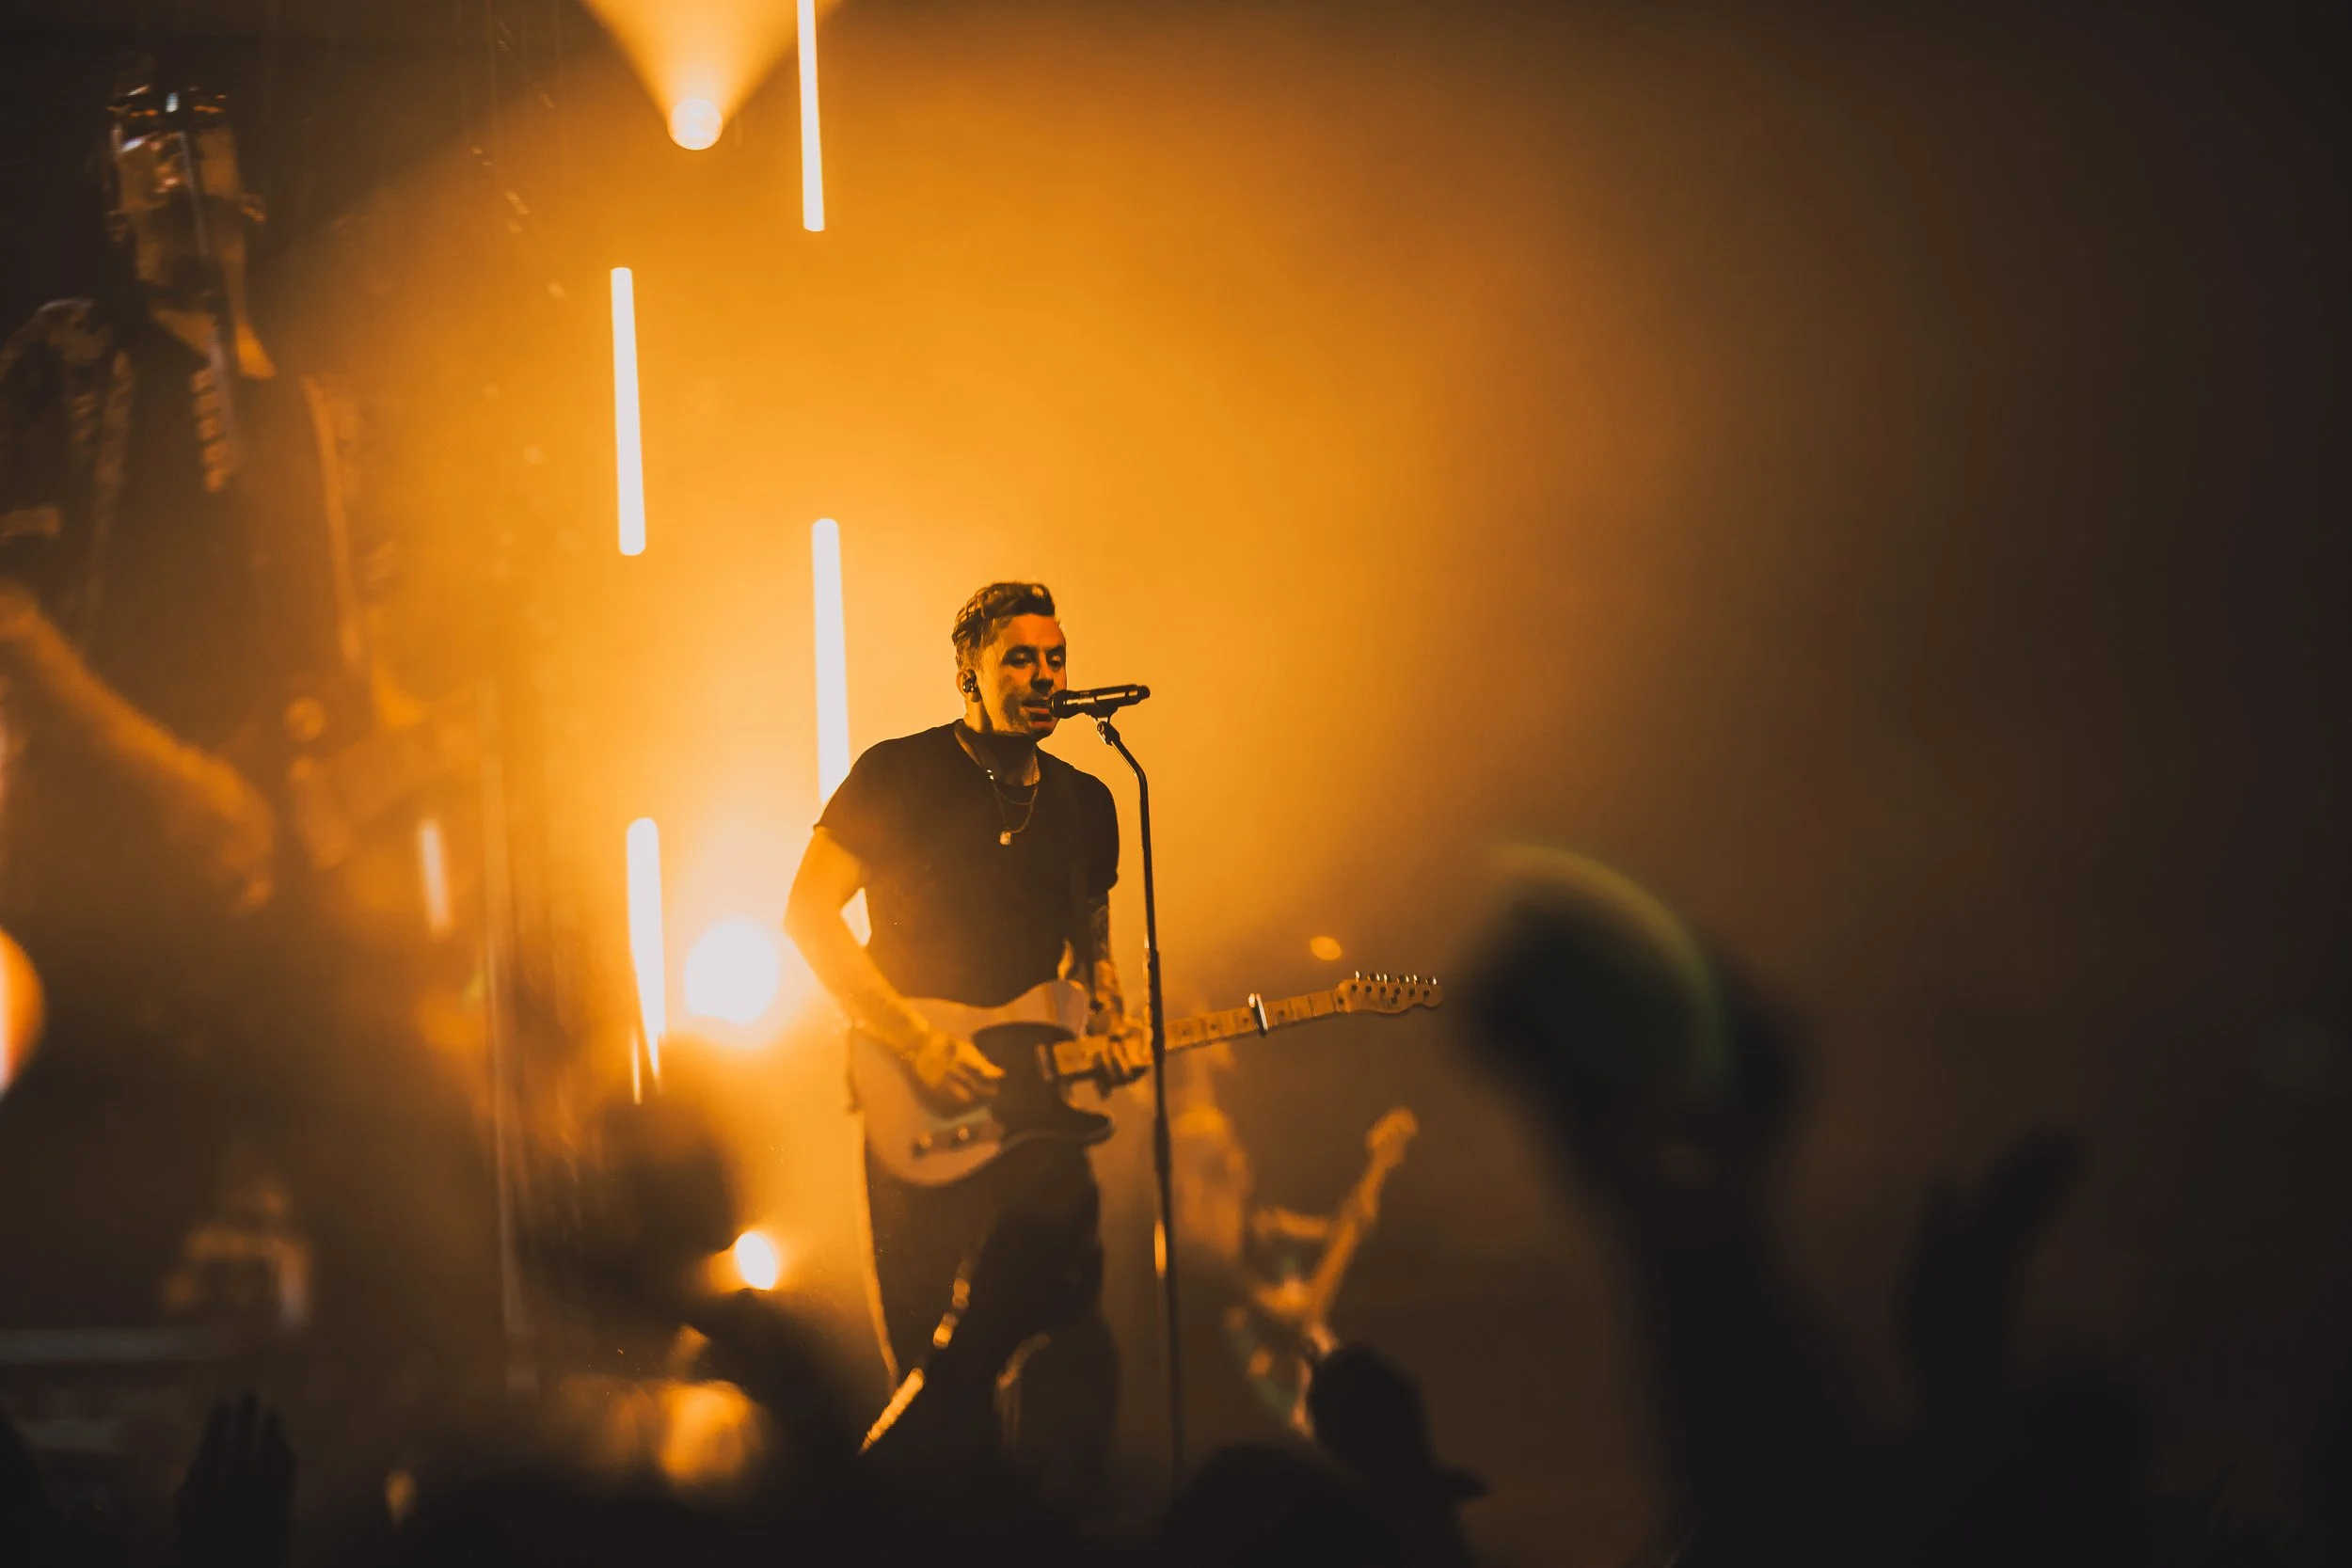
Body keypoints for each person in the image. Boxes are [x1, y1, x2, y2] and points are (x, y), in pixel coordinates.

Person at [784, 580, 1148, 1500]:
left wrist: (1108, 1016)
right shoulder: (896, 774)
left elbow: (1091, 946)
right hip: (919, 1090)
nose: (1043, 675)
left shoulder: (1087, 800)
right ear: (968, 676)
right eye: (1017, 658)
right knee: (931, 1356)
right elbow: (808, 917)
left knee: (1057, 1333)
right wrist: (914, 1038)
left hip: (1037, 1109)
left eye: (1054, 657)